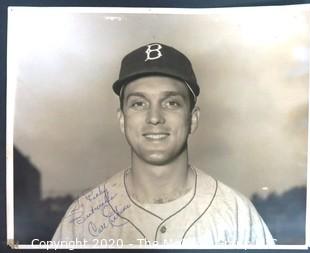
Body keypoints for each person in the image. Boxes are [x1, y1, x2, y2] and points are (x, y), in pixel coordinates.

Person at [52, 43, 275, 247]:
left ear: (193, 119)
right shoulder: (82, 217)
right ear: (122, 119)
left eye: (171, 103)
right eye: (139, 103)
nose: (154, 117)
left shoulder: (237, 213)